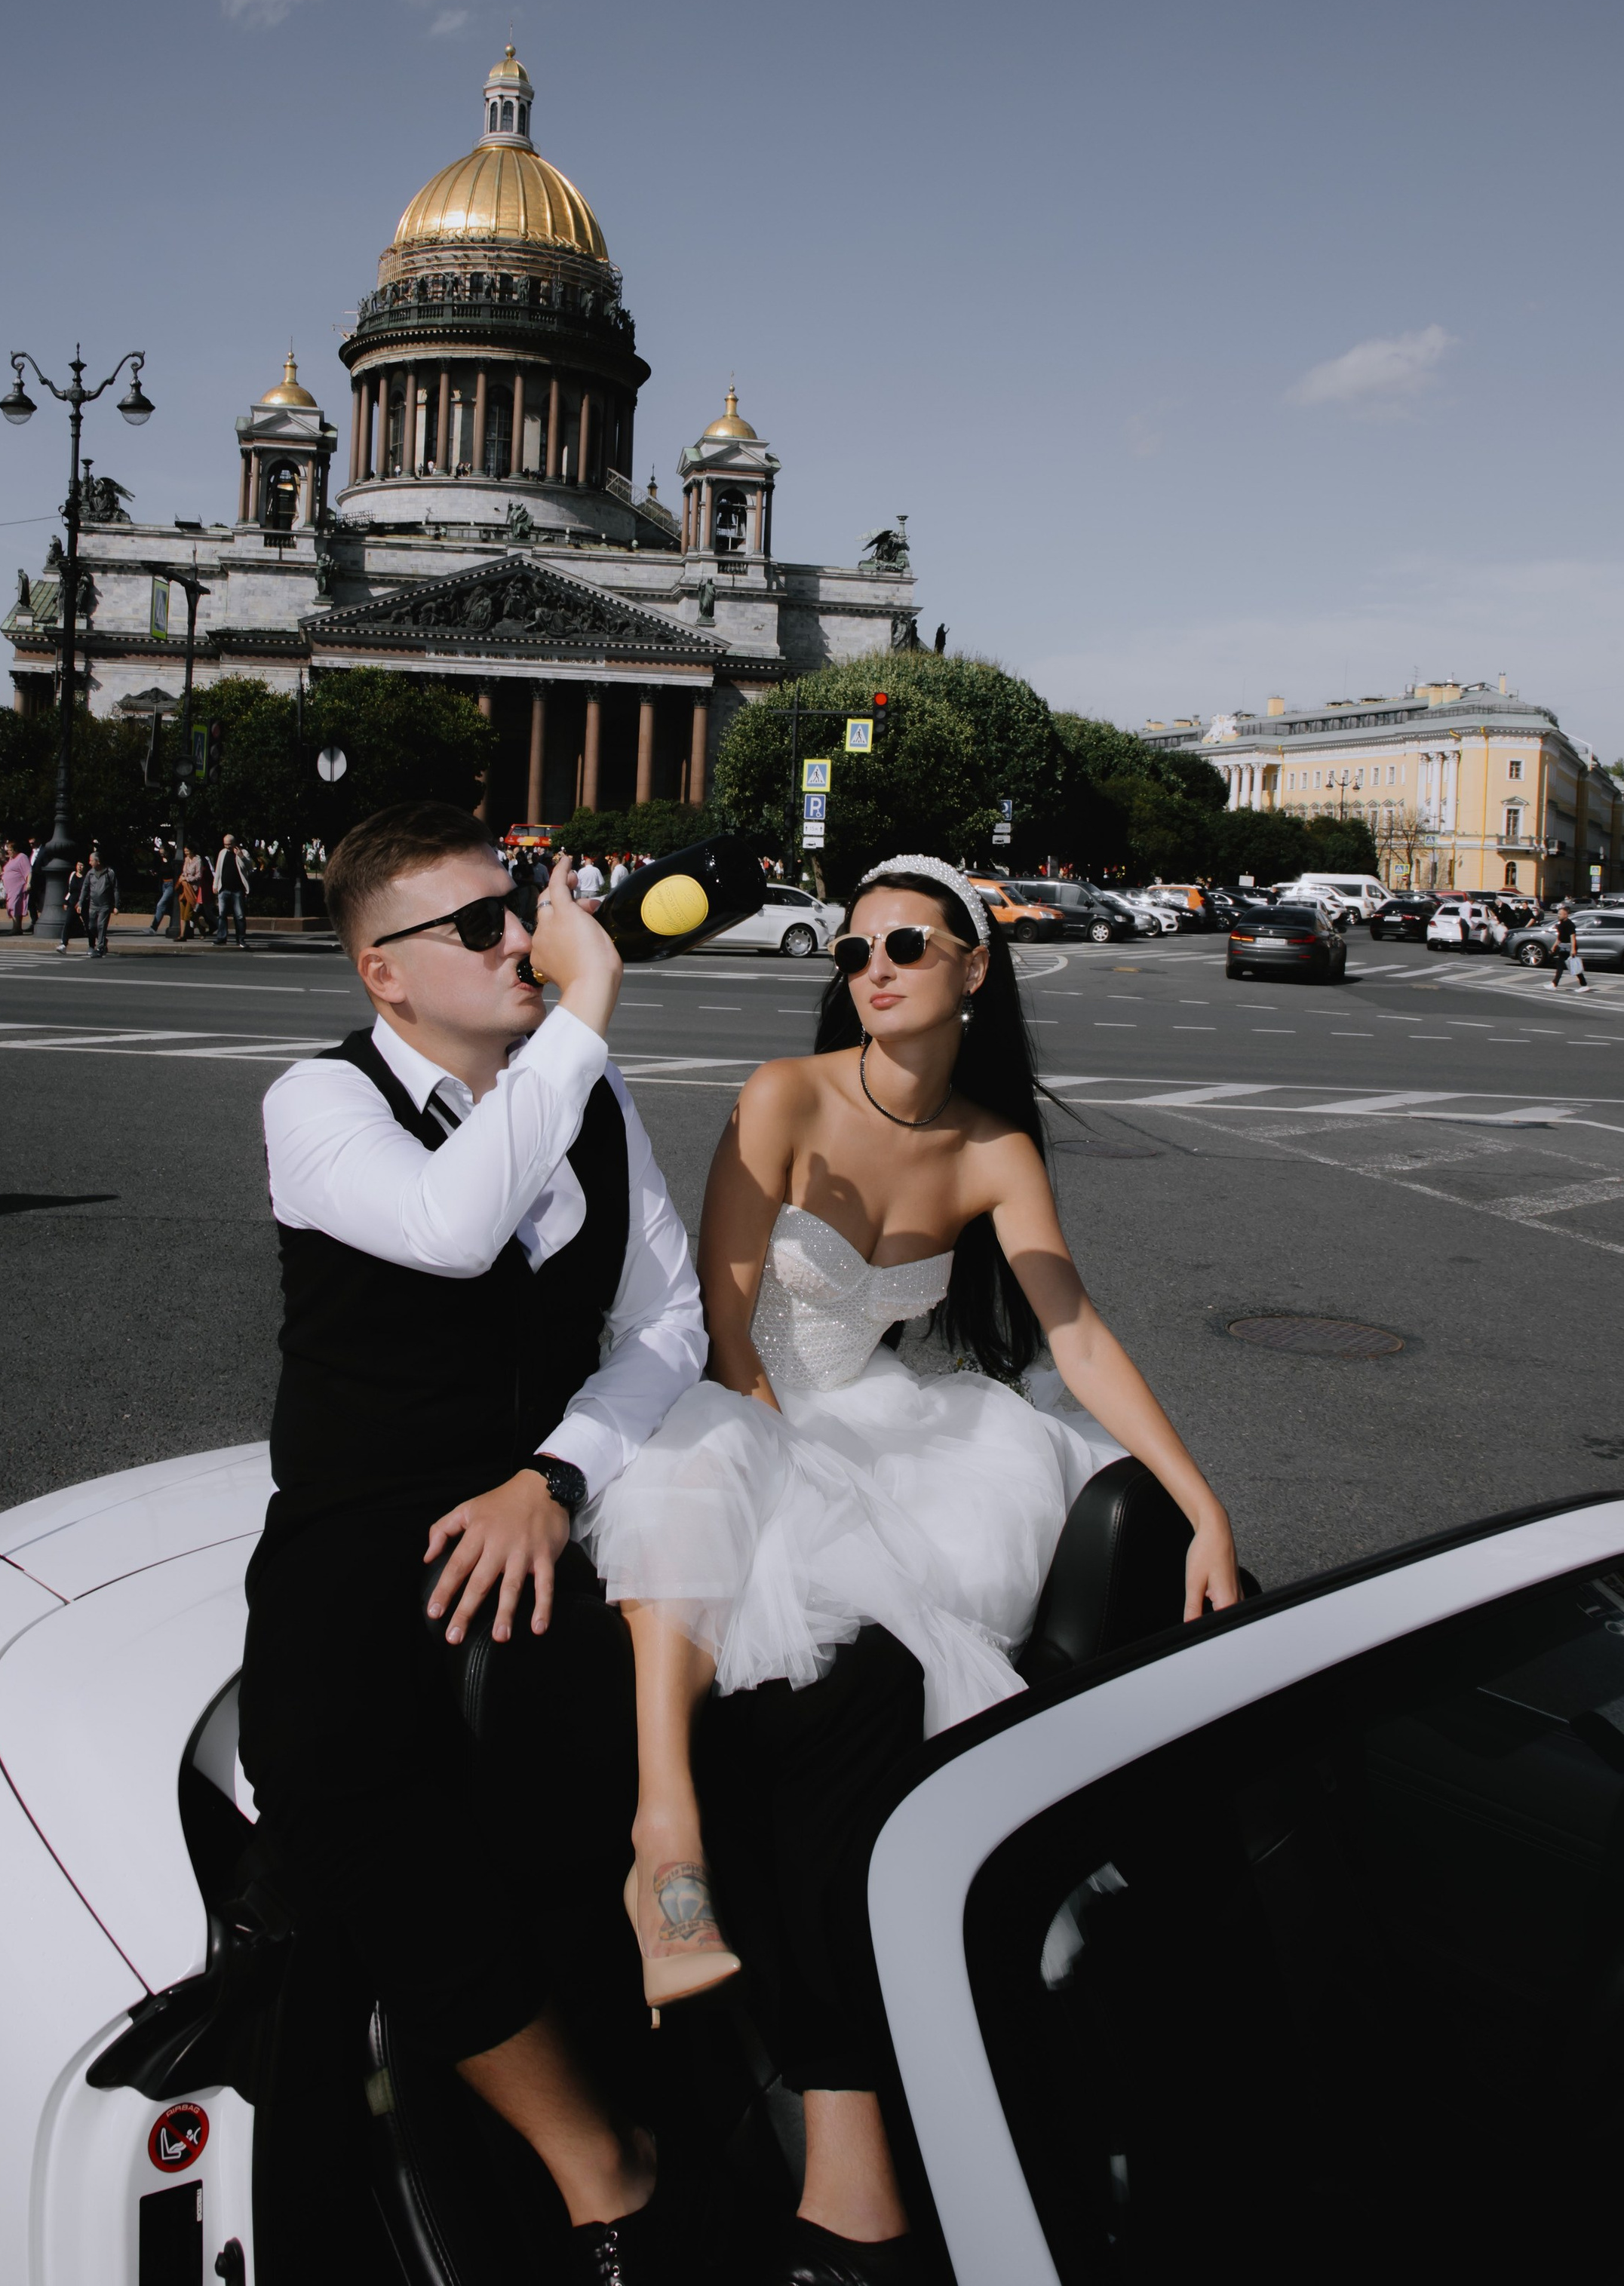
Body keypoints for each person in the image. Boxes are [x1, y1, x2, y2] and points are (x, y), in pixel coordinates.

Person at [238, 805, 932, 2284]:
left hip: (570, 1485)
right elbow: (440, 1225)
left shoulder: (584, 1093)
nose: (519, 938)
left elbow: (666, 1327)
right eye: (476, 925)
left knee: (847, 1687)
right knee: (325, 1754)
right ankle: (601, 2164)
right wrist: (586, 1006)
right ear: (383, 974)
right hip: (373, 1502)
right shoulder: (315, 1102)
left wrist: (552, 1477)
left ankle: (850, 2155)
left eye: (521, 908)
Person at [582, 855, 1238, 2269]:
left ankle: (871, 2105)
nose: (870, 966)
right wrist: (789, 1469)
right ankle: (665, 1837)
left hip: (903, 1441)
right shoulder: (785, 1094)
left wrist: (1202, 1502)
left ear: (973, 970)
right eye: (857, 946)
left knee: (873, 1708)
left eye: (906, 945)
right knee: (705, 1479)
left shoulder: (998, 1148)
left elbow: (1072, 1334)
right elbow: (729, 1322)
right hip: (750, 1404)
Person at [211, 832, 250, 946]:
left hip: (238, 889)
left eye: (229, 844)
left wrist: (241, 856)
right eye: (225, 844)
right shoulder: (222, 853)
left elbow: (249, 867)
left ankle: (241, 939)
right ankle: (222, 937)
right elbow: (218, 870)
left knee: (239, 915)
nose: (227, 847)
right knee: (222, 914)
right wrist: (215, 885)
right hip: (224, 888)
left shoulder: (244, 853)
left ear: (234, 843)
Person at [81, 845, 118, 957]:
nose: (89, 862)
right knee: (92, 927)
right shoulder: (90, 873)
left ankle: (100, 947)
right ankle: (103, 940)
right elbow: (85, 888)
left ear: (98, 862)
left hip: (105, 905)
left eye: (91, 860)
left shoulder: (109, 873)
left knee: (101, 926)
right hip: (93, 905)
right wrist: (80, 902)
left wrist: (116, 905)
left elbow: (116, 889)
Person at [1552, 898, 1589, 991]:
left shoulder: (1569, 924)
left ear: (1566, 915)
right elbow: (1560, 937)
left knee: (1574, 966)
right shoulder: (1562, 924)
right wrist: (1554, 946)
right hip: (1563, 948)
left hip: (1569, 948)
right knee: (1560, 966)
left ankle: (1584, 985)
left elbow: (1573, 937)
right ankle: (1554, 984)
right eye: (1558, 913)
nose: (1558, 915)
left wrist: (1573, 949)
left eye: (1560, 914)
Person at [149, 836, 183, 936]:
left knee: (161, 904)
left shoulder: (173, 861)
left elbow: (173, 872)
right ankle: (171, 925)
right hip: (164, 884)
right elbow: (157, 870)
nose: (163, 856)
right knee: (168, 907)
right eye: (161, 854)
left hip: (171, 884)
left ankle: (153, 927)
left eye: (164, 854)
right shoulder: (159, 860)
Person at [57, 855, 88, 954]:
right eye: (78, 865)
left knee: (89, 925)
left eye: (82, 865)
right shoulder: (73, 875)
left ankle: (95, 944)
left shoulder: (87, 877)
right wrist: (66, 902)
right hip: (72, 903)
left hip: (83, 904)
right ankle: (64, 944)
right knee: (68, 923)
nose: (80, 867)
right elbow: (69, 890)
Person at [1, 840, 34, 932]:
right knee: (11, 906)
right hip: (10, 889)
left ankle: (16, 928)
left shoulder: (22, 857)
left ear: (15, 850)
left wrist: (28, 883)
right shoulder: (11, 859)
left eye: (10, 850)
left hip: (18, 887)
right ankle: (17, 927)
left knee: (14, 905)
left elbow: (28, 871)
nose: (9, 852)